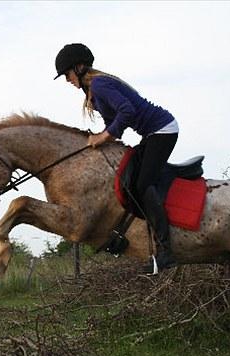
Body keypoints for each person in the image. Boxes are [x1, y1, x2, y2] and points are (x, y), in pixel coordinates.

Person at [54, 42, 179, 274]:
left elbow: (127, 111)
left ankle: (166, 252)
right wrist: (100, 136)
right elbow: (112, 122)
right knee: (129, 180)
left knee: (142, 185)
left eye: (67, 74)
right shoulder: (94, 90)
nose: (67, 80)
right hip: (152, 133)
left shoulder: (100, 85)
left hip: (162, 130)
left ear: (79, 68)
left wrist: (105, 137)